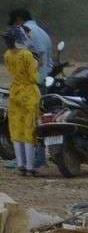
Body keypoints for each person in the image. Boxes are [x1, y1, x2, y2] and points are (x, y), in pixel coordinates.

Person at [5, 27, 42, 177]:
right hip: (29, 93)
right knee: (29, 130)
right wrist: (37, 63)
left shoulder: (7, 54)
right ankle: (30, 167)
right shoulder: (26, 54)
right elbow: (34, 78)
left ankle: (20, 164)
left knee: (16, 129)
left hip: (15, 93)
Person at [6, 9, 51, 84]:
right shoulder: (43, 32)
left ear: (18, 19)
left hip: (30, 83)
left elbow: (38, 55)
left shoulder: (23, 31)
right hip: (44, 80)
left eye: (14, 23)